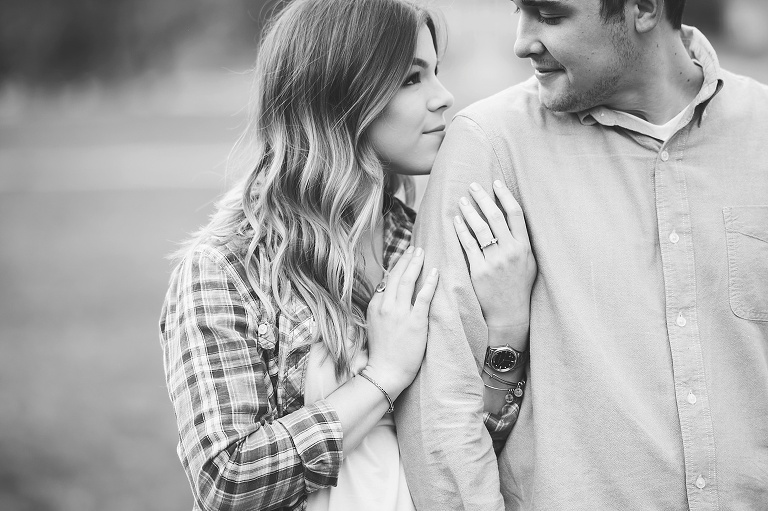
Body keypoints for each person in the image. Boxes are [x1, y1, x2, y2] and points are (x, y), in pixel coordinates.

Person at [158, 0, 533, 510]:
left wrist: (508, 327)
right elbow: (228, 479)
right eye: (411, 79)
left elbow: (471, 450)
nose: (444, 97)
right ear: (340, 95)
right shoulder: (229, 268)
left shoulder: (421, 244)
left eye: (435, 72)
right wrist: (384, 377)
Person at [396, 0, 768, 509]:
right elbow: (442, 412)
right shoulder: (491, 146)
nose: (521, 42)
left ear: (643, 9)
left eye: (551, 16)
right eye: (520, 11)